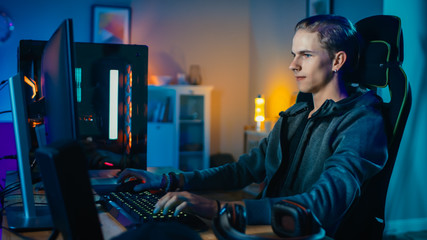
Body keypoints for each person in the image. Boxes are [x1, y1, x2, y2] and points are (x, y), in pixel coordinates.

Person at [117, 14, 388, 238]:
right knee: (153, 230)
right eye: (293, 54)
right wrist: (168, 180)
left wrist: (221, 209)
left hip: (302, 234)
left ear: (338, 60)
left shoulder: (362, 122)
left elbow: (322, 203)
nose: (292, 65)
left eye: (305, 55)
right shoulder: (295, 115)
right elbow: (243, 170)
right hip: (262, 227)